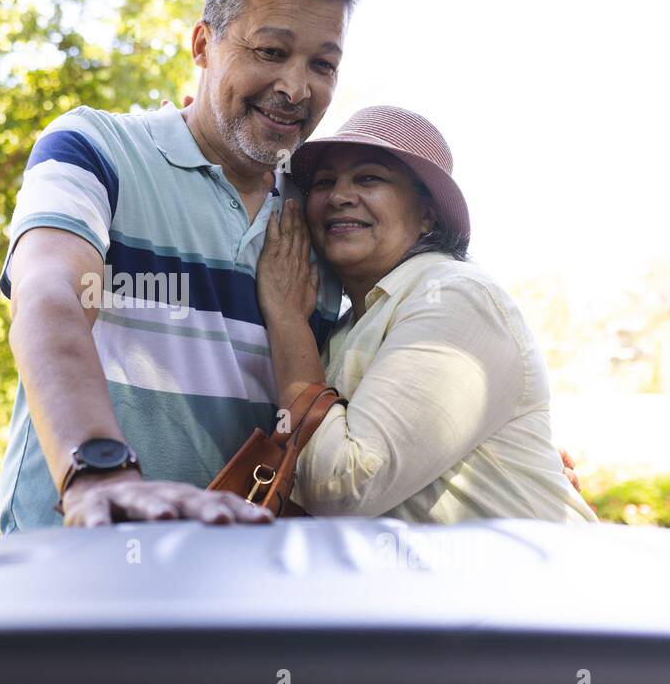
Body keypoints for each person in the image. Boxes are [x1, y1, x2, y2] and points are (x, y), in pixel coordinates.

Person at [0, 0, 359, 532]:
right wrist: (97, 470)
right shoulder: (97, 148)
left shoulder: (322, 219)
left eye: (323, 64)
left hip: (239, 582)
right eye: (271, 51)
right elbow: (49, 294)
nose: (297, 88)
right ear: (202, 44)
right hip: (81, 557)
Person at [255, 105, 597, 522]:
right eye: (325, 182)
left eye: (369, 178)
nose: (340, 196)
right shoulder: (348, 324)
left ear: (427, 215)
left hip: (523, 583)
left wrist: (288, 323)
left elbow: (344, 486)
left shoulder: (457, 296)